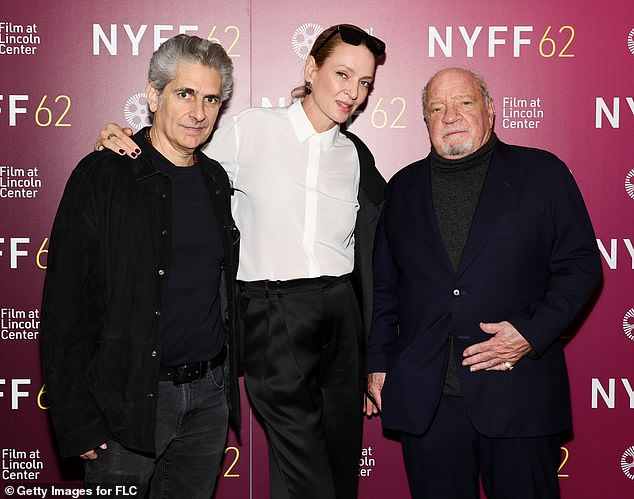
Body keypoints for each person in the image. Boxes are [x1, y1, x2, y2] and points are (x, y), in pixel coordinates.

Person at [95, 24, 386, 499]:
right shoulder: (251, 128)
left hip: (341, 315)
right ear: (311, 69)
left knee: (340, 468)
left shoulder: (355, 154)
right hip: (274, 314)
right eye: (342, 74)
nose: (353, 92)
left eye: (366, 83)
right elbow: (177, 152)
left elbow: (386, 234)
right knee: (305, 476)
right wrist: (123, 139)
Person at [365, 67, 602, 499]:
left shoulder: (542, 173)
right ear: (426, 121)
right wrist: (378, 361)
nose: (450, 115)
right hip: (428, 404)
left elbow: (582, 266)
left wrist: (530, 333)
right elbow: (385, 287)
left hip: (518, 393)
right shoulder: (401, 188)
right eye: (437, 108)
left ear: (490, 111)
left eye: (464, 103)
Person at [40, 34, 239, 498]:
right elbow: (63, 306)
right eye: (184, 93)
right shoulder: (102, 175)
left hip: (207, 398)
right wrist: (75, 418)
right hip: (125, 402)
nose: (198, 112)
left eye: (211, 99)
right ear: (153, 95)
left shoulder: (215, 179)